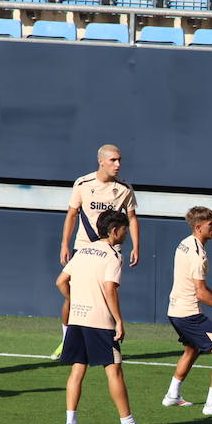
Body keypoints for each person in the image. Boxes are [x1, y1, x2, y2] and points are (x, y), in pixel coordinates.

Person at [55, 210, 153, 424]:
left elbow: (60, 281)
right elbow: (110, 289)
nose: (127, 234)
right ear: (115, 231)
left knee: (77, 370)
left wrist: (75, 300)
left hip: (77, 320)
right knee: (115, 371)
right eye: (125, 229)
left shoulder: (82, 252)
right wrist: (119, 321)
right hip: (100, 323)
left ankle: (71, 422)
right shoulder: (113, 255)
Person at [53, 144, 139, 359]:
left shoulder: (124, 188)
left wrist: (137, 246)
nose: (118, 165)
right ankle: (66, 338)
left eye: (120, 160)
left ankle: (109, 338)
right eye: (113, 160)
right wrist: (65, 244)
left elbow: (132, 218)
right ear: (101, 161)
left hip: (111, 249)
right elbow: (72, 214)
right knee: (71, 294)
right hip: (83, 246)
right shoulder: (83, 183)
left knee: (109, 291)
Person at [163, 206, 212, 417]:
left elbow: (198, 286)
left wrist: (210, 293)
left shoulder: (185, 243)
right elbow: (200, 294)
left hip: (175, 311)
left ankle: (172, 395)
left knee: (192, 349)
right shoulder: (198, 254)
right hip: (188, 313)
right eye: (211, 224)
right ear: (198, 227)